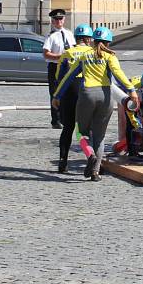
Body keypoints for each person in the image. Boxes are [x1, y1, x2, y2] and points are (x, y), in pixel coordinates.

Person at [53, 26, 138, 181]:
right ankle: (95, 172)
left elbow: (68, 77)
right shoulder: (110, 56)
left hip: (87, 95)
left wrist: (57, 95)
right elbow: (119, 75)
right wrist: (131, 91)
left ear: (93, 40)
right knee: (99, 136)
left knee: (81, 132)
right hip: (106, 97)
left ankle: (90, 155)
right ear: (108, 42)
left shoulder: (85, 56)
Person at [54, 24, 93, 173]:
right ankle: (93, 159)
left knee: (68, 128)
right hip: (87, 89)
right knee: (88, 129)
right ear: (89, 39)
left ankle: (63, 161)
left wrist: (58, 95)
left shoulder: (67, 53)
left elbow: (59, 76)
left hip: (69, 91)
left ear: (76, 38)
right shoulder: (92, 53)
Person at [42, 8, 75, 128]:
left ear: (64, 19)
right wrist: (60, 57)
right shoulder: (51, 36)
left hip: (69, 66)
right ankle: (56, 120)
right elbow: (46, 54)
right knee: (55, 93)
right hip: (55, 66)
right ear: (52, 21)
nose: (58, 21)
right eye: (56, 19)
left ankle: (66, 117)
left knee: (68, 92)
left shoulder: (69, 34)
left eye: (60, 19)